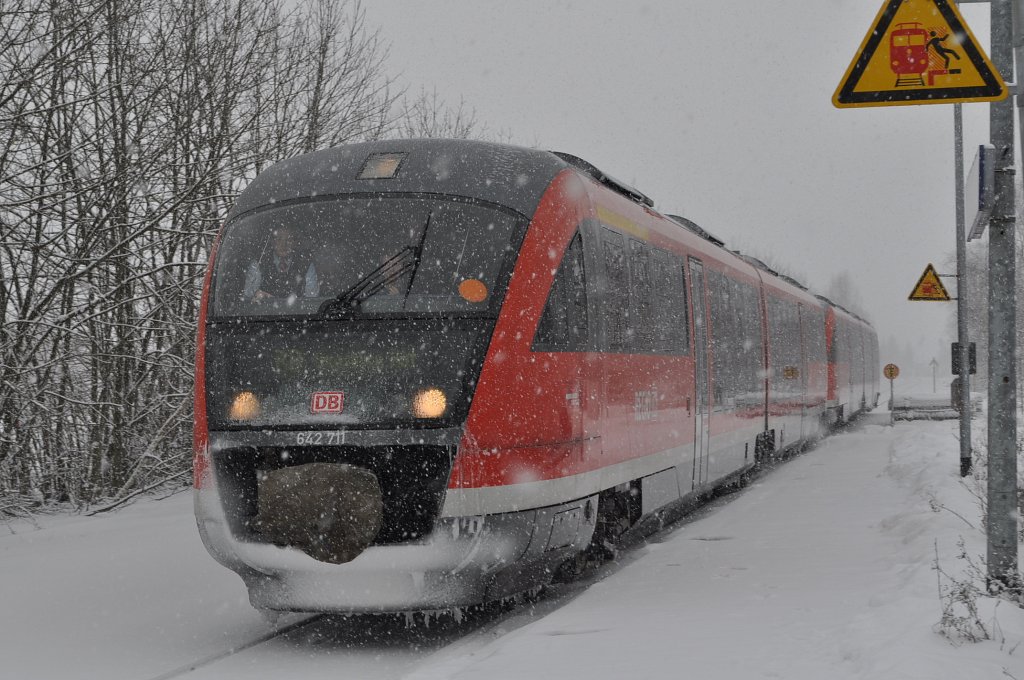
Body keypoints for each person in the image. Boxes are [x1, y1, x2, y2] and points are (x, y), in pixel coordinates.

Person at [243, 227, 319, 301]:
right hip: (265, 309)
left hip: (297, 309)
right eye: (279, 239)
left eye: (289, 240)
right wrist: (260, 296)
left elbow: (312, 299)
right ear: (272, 242)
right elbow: (248, 296)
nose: (283, 245)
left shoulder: (305, 263)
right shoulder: (259, 262)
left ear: (295, 243)